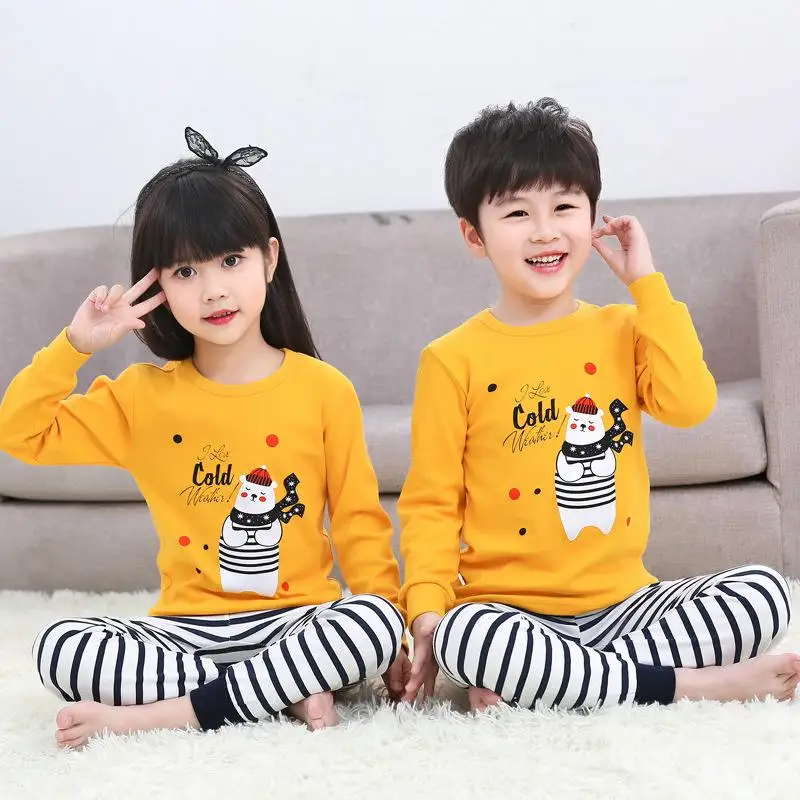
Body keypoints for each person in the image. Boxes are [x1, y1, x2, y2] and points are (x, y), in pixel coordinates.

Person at [0, 127, 407, 749]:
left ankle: (162, 714)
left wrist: (393, 633)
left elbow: (358, 523)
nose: (214, 289)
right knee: (60, 647)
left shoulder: (324, 389)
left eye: (231, 261)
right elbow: (20, 432)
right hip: (186, 637)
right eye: (186, 271)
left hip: (298, 626)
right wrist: (74, 346)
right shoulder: (141, 396)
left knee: (372, 620)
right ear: (158, 287)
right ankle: (276, 692)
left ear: (270, 258)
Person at [399, 98, 797, 712]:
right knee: (464, 637)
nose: (545, 231)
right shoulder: (451, 358)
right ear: (474, 235)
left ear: (591, 218)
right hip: (509, 614)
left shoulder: (624, 328)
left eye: (564, 207)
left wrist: (646, 285)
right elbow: (431, 501)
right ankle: (691, 686)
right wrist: (426, 608)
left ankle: (552, 681)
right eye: (517, 213)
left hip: (625, 607)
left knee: (766, 594)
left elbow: (690, 404)